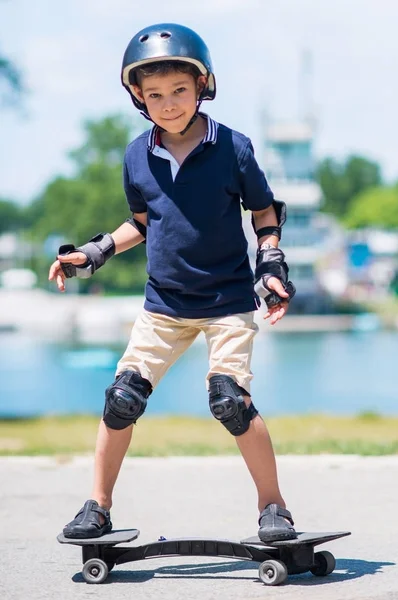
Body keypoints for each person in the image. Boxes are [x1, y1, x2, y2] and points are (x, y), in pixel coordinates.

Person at [49, 23, 297, 543]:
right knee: (122, 398)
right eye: (155, 94)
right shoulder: (137, 155)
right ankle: (97, 505)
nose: (168, 104)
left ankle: (274, 506)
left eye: (179, 91)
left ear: (202, 85)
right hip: (163, 304)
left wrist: (271, 264)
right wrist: (90, 254)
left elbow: (264, 212)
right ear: (137, 96)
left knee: (229, 399)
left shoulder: (233, 147)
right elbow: (141, 223)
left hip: (227, 300)